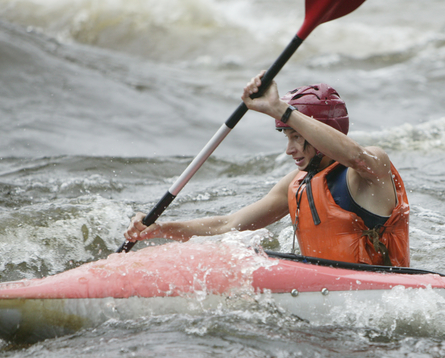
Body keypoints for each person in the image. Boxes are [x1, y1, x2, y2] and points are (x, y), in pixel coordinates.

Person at [124, 72, 410, 266]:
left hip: (381, 293)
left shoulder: (370, 169)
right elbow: (228, 224)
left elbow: (354, 155)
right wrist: (160, 229)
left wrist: (280, 110)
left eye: (297, 136)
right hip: (325, 292)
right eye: (287, 137)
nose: (289, 149)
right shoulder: (296, 184)